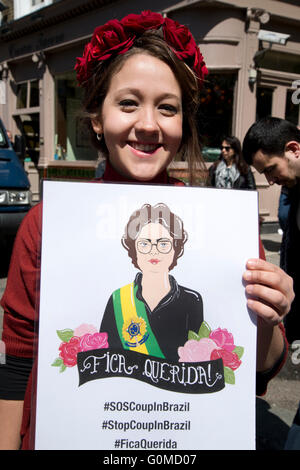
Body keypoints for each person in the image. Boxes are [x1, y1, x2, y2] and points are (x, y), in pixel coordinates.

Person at [0, 11, 294, 450]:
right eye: (128, 103)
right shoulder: (47, 225)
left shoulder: (222, 228)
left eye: (168, 108)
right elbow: (19, 358)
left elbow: (257, 369)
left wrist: (268, 318)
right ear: (97, 117)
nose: (149, 125)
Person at [242, 116, 300, 449]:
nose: (271, 180)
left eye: (271, 169)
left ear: (293, 149)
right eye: (264, 174)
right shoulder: (294, 195)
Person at [100, 203, 203, 361]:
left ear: (176, 248)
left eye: (163, 244)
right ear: (133, 249)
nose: (153, 250)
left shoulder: (191, 300)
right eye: (144, 244)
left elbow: (198, 357)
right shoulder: (118, 299)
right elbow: (105, 357)